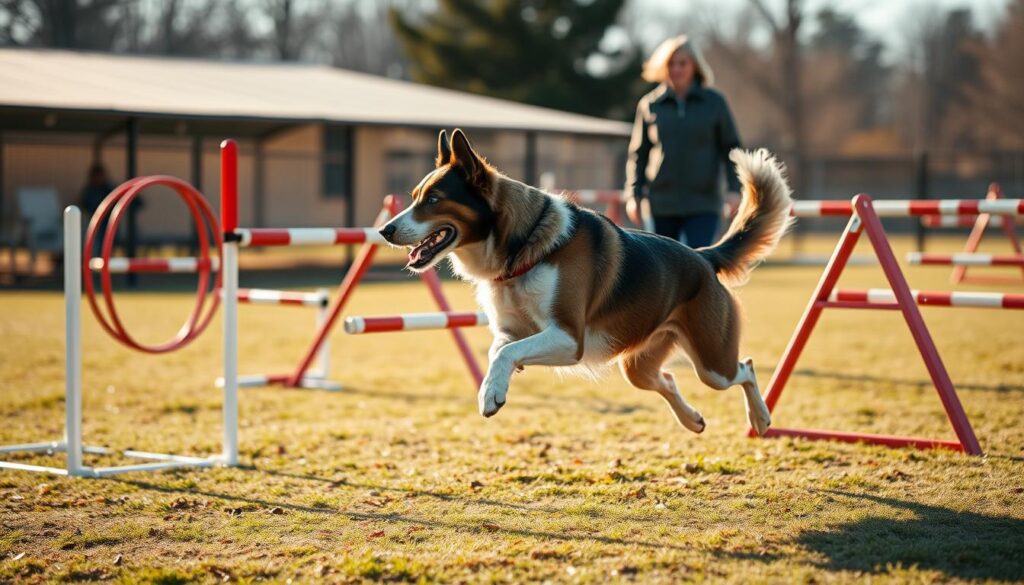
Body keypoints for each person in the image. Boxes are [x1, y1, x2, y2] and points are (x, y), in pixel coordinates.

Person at [624, 35, 743, 248]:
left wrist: (735, 189)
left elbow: (731, 149)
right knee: (664, 265)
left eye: (682, 63)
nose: (676, 69)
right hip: (661, 204)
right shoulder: (650, 105)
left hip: (704, 204)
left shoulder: (715, 103)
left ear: (694, 65)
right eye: (671, 63)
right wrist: (633, 195)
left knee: (698, 261)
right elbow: (638, 156)